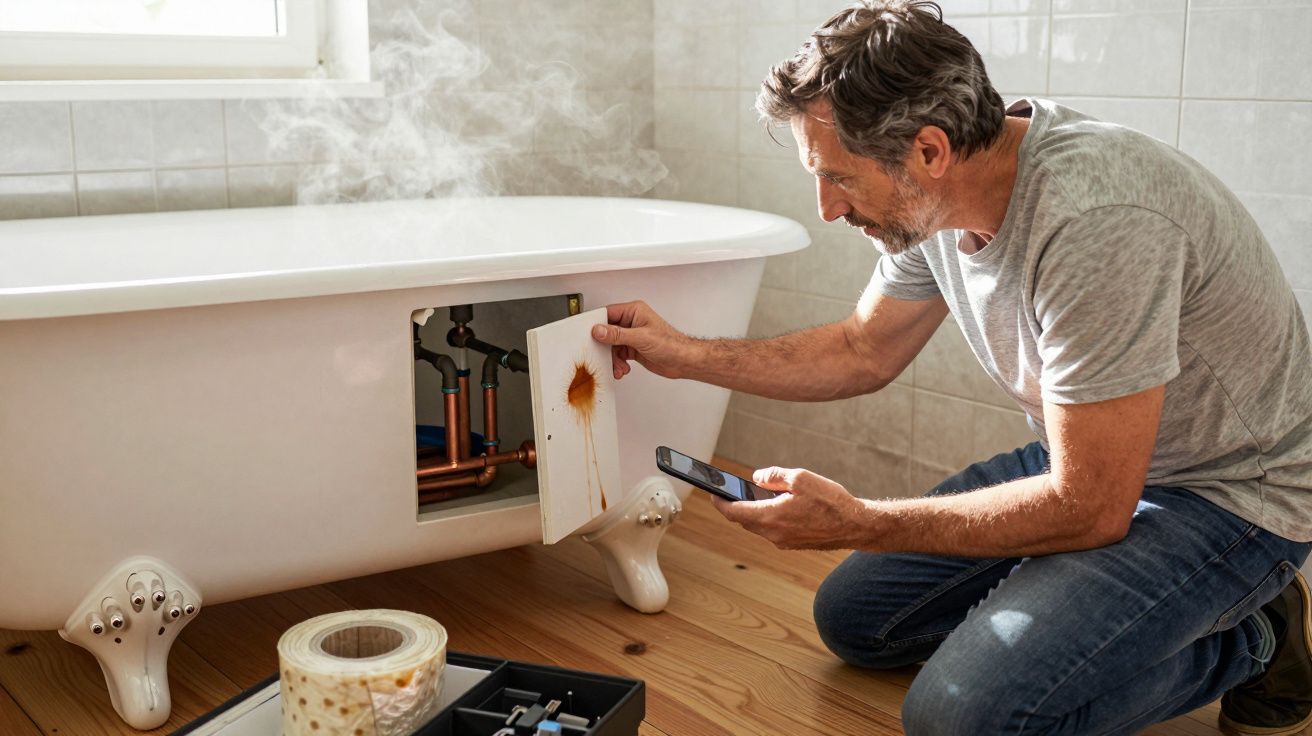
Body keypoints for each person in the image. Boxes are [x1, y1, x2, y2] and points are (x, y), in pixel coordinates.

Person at [589, 1, 1312, 734]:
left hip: (1226, 493)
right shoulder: (936, 197)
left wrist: (860, 522)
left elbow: (1092, 507)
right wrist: (683, 356)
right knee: (857, 622)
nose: (828, 208)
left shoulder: (1096, 220)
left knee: (959, 721)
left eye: (838, 178)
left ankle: (1252, 639)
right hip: (1093, 455)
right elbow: (861, 349)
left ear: (929, 151)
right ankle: (1132, 608)